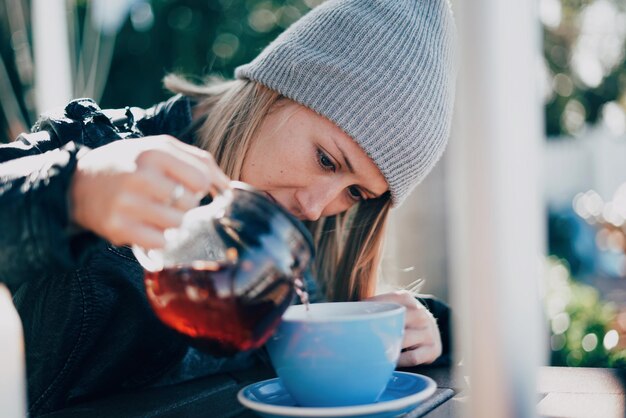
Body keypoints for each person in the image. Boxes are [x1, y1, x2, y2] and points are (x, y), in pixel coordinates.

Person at [0, 0, 456, 415]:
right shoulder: (101, 148)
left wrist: (429, 330)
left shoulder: (303, 241)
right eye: (326, 159)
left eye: (355, 193)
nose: (318, 208)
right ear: (280, 87)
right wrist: (72, 193)